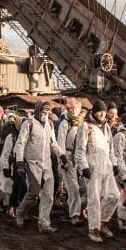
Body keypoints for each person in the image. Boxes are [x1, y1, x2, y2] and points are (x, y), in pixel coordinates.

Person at [14, 101, 64, 233]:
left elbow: (53, 143)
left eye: (47, 113)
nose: (45, 115)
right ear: (37, 111)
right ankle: (20, 212)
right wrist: (19, 162)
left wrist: (62, 156)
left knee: (48, 194)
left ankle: (44, 223)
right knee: (34, 191)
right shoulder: (29, 124)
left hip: (46, 162)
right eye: (43, 112)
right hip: (32, 163)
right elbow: (20, 144)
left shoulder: (50, 124)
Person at [75, 99, 120, 242]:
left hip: (106, 165)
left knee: (114, 195)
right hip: (92, 166)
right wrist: (83, 167)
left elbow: (111, 148)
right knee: (94, 199)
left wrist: (114, 163)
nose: (102, 114)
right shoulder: (86, 126)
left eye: (104, 112)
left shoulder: (106, 127)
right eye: (99, 111)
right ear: (94, 112)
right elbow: (80, 150)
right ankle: (93, 229)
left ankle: (103, 222)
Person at [57, 97, 87, 226]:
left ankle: (80, 207)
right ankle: (74, 215)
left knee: (85, 187)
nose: (74, 110)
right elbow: (60, 143)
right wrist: (63, 160)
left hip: (81, 157)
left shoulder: (83, 123)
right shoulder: (65, 123)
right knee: (73, 187)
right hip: (68, 156)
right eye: (71, 108)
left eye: (76, 108)